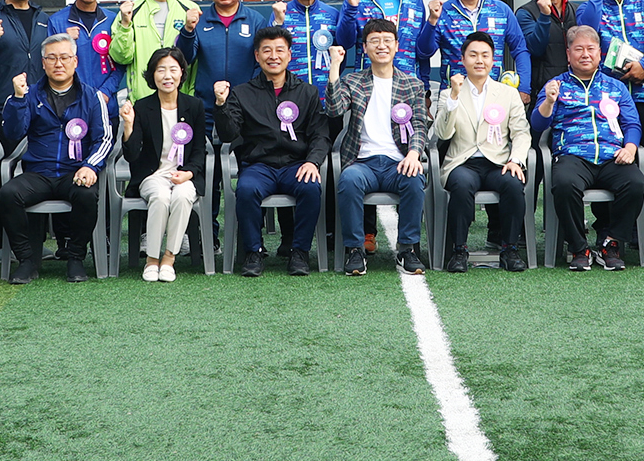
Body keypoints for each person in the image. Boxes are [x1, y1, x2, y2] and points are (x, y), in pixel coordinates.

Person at [0, 33, 112, 283]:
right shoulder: (28, 94)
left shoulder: (92, 97)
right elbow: (13, 133)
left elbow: (103, 139)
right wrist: (18, 99)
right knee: (7, 195)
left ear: (75, 61)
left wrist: (90, 166)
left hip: (74, 173)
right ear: (43, 63)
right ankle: (27, 260)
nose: (58, 63)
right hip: (38, 173)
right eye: (52, 58)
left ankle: (75, 257)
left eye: (64, 57)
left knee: (87, 194)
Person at [217, 25, 329, 277]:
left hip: (296, 165)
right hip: (259, 166)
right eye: (266, 50)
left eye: (280, 50)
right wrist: (222, 105)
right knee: (245, 190)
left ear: (289, 54)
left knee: (311, 187)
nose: (273, 56)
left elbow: (320, 134)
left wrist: (312, 162)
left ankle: (299, 252)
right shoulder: (242, 93)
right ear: (257, 56)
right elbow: (228, 134)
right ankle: (253, 252)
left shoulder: (307, 92)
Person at [325, 18, 431, 276]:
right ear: (365, 47)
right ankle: (355, 250)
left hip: (399, 162)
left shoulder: (412, 84)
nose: (381, 46)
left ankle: (407, 249)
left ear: (396, 46)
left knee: (415, 179)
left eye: (387, 41)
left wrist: (414, 154)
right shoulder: (353, 81)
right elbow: (334, 108)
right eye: (374, 41)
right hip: (363, 163)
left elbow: (419, 124)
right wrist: (335, 67)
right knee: (348, 180)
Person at [534, 25, 644, 271]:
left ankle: (610, 243)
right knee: (563, 183)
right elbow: (538, 123)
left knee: (636, 183)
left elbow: (632, 123)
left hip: (611, 156)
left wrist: (630, 147)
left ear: (600, 53)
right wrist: (549, 103)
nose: (585, 54)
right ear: (568, 54)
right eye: (579, 49)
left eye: (591, 49)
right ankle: (578, 246)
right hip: (573, 155)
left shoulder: (614, 87)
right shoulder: (556, 85)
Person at [430, 31, 532, 272]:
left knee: (513, 184)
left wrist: (516, 160)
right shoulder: (448, 93)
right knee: (462, 185)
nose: (479, 61)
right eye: (473, 55)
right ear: (463, 60)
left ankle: (509, 249)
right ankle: (459, 251)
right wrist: (454, 97)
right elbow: (442, 134)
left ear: (493, 60)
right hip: (463, 162)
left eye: (485, 55)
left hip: (498, 162)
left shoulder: (507, 93)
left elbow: (521, 132)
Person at [119, 47, 210, 282]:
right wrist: (128, 125)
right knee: (160, 196)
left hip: (185, 174)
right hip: (152, 175)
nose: (167, 76)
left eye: (173, 69)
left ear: (181, 73)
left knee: (181, 196)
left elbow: (200, 149)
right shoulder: (142, 106)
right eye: (161, 70)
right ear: (152, 75)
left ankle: (169, 259)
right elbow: (131, 154)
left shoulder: (194, 106)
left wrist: (188, 173)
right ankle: (151, 259)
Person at [422, 0, 531, 90]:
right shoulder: (442, 13)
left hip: (495, 91)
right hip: (455, 92)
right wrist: (431, 21)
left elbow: (519, 49)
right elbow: (424, 52)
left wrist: (524, 87)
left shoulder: (501, 10)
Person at [109, 0, 200, 99]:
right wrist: (125, 25)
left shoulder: (190, 10)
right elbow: (121, 57)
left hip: (181, 100)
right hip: (142, 100)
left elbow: (194, 57)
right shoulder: (131, 11)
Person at [182, 0, 265, 107]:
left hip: (246, 106)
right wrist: (188, 30)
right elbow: (185, 58)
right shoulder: (200, 22)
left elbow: (263, 63)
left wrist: (251, 92)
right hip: (207, 106)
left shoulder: (256, 21)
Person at [48, 0, 123, 100]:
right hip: (70, 105)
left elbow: (120, 63)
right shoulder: (57, 22)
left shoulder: (113, 21)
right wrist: (64, 41)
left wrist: (105, 93)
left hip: (106, 104)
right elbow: (51, 64)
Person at [274, 0, 345, 89]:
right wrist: (278, 23)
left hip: (326, 96)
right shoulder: (280, 14)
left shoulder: (332, 15)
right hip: (291, 97)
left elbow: (341, 55)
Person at [514, 0, 578, 97]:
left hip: (575, 92)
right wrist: (544, 16)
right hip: (542, 93)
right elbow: (535, 48)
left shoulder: (577, 11)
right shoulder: (526, 12)